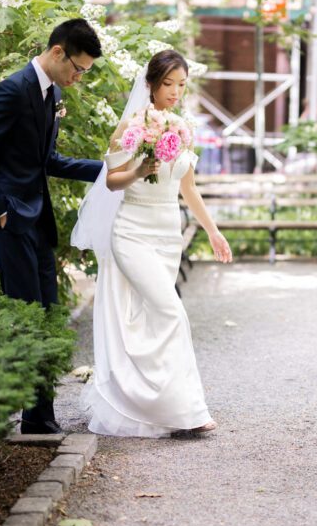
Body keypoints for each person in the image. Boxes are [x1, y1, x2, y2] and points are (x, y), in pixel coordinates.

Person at [72, 50, 233, 438]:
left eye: (181, 84)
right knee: (171, 312)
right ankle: (189, 410)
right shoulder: (131, 125)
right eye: (168, 84)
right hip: (131, 230)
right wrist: (140, 170)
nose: (175, 92)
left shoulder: (182, 127)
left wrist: (212, 231)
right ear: (151, 84)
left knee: (153, 318)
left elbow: (188, 187)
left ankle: (156, 402)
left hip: (166, 233)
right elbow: (111, 180)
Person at [0, 18, 104, 434]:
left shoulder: (51, 93)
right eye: (78, 68)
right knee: (27, 316)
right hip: (10, 223)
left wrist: (111, 170)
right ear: (58, 52)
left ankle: (41, 417)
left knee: (48, 314)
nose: (79, 77)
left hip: (36, 222)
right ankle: (22, 414)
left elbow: (49, 162)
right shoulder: (14, 89)